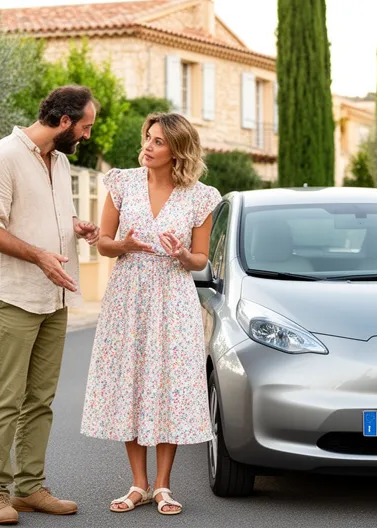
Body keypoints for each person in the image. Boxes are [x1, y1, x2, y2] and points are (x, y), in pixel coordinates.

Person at [0, 85, 101, 525]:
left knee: (41, 399)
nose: (85, 135)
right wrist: (40, 255)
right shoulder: (2, 157)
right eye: (84, 126)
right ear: (64, 122)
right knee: (6, 397)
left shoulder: (60, 162)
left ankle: (29, 488)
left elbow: (47, 217)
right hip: (14, 296)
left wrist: (75, 227)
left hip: (54, 297)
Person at [80, 112, 221, 516]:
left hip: (173, 297)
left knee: (169, 385)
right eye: (148, 137)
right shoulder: (122, 182)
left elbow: (199, 259)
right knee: (134, 381)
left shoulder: (200, 196)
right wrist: (123, 245)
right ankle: (137, 484)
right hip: (128, 296)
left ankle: (163, 486)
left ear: (177, 150)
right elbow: (103, 244)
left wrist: (181, 254)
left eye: (158, 141)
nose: (147, 146)